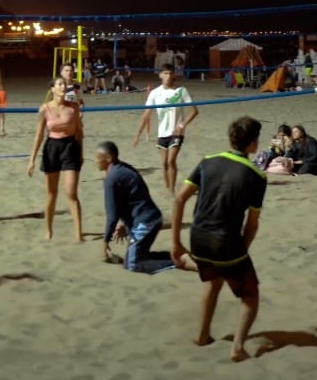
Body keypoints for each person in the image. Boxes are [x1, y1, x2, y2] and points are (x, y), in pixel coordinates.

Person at [170, 116, 267, 363]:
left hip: (198, 237)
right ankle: (237, 348)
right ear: (253, 144)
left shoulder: (207, 162)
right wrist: (241, 253)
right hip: (225, 241)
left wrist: (175, 243)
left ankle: (203, 336)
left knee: (213, 281)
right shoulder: (257, 176)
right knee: (250, 295)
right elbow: (252, 224)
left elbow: (179, 199)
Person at [96, 140, 176, 273]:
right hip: (151, 218)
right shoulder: (123, 168)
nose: (95, 161)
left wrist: (105, 241)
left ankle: (179, 262)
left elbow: (112, 215)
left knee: (132, 264)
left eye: (98, 158)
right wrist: (124, 224)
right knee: (139, 256)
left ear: (109, 158)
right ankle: (177, 256)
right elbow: (132, 197)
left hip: (145, 222)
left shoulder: (112, 178)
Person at [27, 76, 84, 241]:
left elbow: (79, 133)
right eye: (59, 84)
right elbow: (38, 135)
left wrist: (80, 153)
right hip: (52, 147)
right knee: (51, 193)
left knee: (71, 192)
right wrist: (32, 159)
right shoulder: (45, 109)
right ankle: (49, 230)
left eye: (64, 84)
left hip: (70, 147)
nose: (63, 86)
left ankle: (78, 234)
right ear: (52, 89)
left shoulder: (73, 108)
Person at [133, 63, 199, 195]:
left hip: (176, 132)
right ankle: (167, 187)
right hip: (162, 132)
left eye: (170, 73)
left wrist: (182, 125)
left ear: (174, 75)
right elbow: (146, 115)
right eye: (166, 73)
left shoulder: (180, 91)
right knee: (163, 163)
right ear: (160, 75)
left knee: (171, 161)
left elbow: (194, 111)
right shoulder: (154, 93)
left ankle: (171, 190)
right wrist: (138, 134)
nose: (168, 76)